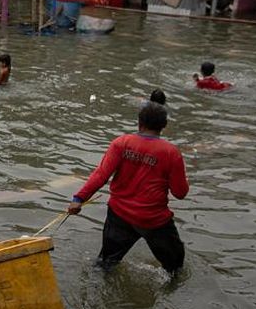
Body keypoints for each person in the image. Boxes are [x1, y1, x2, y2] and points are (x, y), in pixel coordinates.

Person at [66, 102, 188, 274]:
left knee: (106, 264)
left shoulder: (121, 143)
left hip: (119, 215)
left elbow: (101, 175)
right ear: (164, 126)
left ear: (139, 123)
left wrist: (78, 199)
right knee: (176, 269)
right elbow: (180, 193)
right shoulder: (171, 152)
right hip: (153, 219)